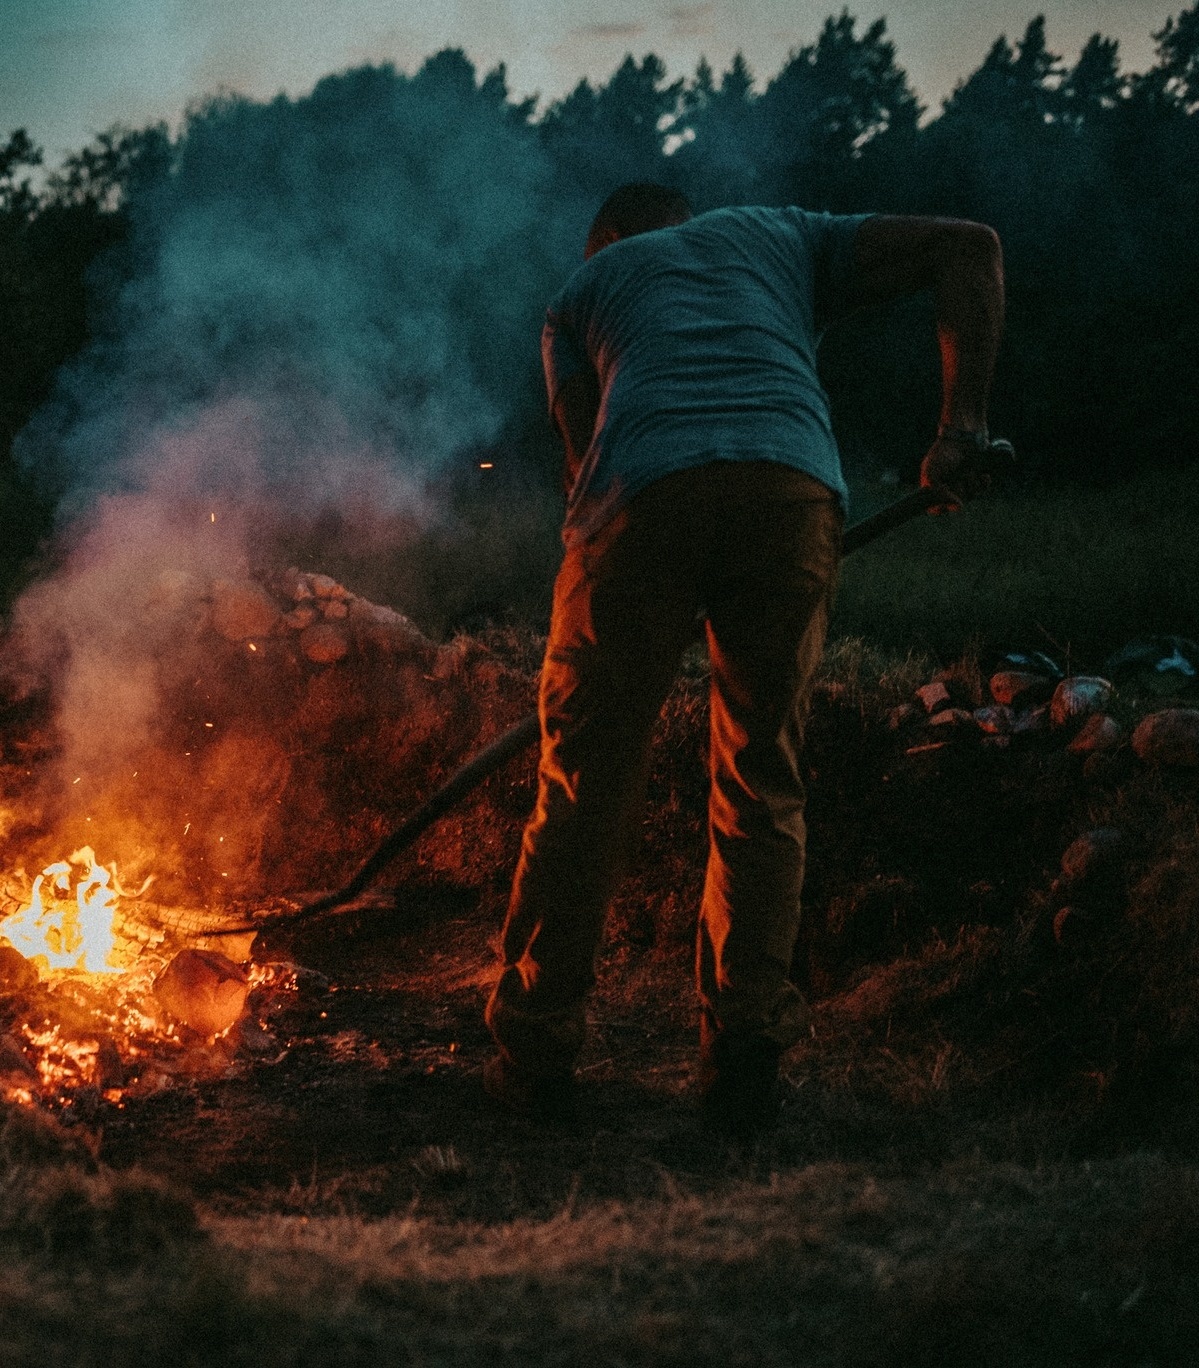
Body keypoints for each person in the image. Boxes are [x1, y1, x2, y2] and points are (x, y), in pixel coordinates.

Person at [484, 182, 1005, 1131]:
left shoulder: (579, 293)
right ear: (687, 224)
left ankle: (535, 1048)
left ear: (607, 241)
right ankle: (742, 1058)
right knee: (760, 775)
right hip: (789, 488)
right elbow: (967, 245)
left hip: (637, 492)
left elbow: (580, 461)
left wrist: (650, 572)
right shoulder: (781, 235)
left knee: (583, 781)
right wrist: (958, 432)